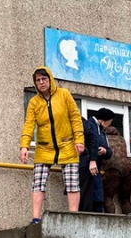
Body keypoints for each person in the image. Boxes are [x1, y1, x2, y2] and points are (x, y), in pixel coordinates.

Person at [20, 67, 85, 223]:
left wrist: (79, 140)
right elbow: (29, 124)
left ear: (50, 79)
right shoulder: (34, 102)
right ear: (35, 83)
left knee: (72, 182)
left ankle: (73, 216)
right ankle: (35, 218)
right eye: (38, 80)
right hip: (44, 147)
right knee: (38, 182)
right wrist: (24, 146)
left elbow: (75, 118)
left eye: (44, 79)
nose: (41, 83)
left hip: (67, 145)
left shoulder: (64, 94)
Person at [78, 108, 113, 212]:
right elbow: (91, 143)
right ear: (105, 119)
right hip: (87, 166)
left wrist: (105, 151)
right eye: (110, 121)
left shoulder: (102, 131)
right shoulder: (90, 125)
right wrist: (92, 159)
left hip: (96, 168)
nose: (110, 124)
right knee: (87, 197)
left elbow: (109, 151)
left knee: (97, 199)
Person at [102, 125, 131, 214]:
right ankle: (129, 221)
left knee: (107, 197)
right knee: (126, 199)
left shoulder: (104, 138)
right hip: (128, 167)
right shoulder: (121, 139)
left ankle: (111, 221)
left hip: (113, 167)